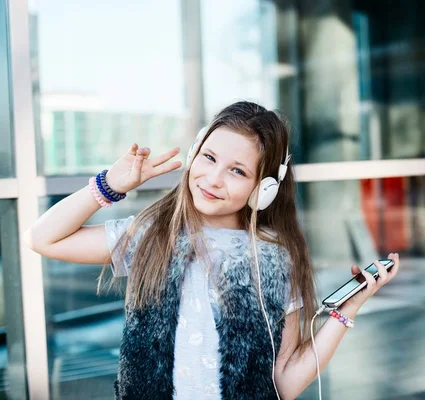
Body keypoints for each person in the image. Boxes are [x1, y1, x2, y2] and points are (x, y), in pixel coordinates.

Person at [24, 101, 400, 399]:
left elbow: (283, 383)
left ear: (262, 189)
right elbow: (43, 238)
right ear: (193, 154)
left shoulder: (274, 260)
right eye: (209, 158)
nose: (214, 179)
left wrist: (346, 310)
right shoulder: (152, 235)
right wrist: (109, 185)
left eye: (237, 171)